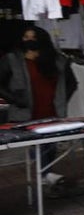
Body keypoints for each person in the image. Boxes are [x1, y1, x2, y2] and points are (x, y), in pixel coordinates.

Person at [0, 26, 76, 187]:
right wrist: (14, 99)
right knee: (38, 142)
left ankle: (46, 174)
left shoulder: (57, 60)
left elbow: (72, 83)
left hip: (52, 110)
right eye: (25, 37)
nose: (28, 40)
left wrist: (62, 99)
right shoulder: (12, 59)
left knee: (51, 143)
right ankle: (46, 174)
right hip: (26, 112)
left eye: (32, 37)